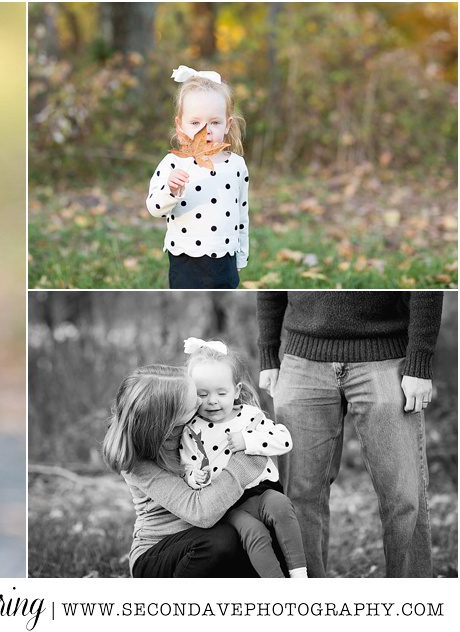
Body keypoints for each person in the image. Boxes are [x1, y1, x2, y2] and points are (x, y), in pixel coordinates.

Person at [257, 291, 441, 577]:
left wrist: (419, 362)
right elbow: (272, 281)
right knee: (299, 497)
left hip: (385, 355)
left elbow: (426, 286)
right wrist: (268, 352)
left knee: (404, 496)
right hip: (303, 359)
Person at [101, 364, 267, 577]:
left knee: (260, 533)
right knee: (222, 541)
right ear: (169, 418)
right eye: (194, 400)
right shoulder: (136, 461)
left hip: (206, 533)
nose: (201, 401)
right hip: (158, 552)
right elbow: (201, 512)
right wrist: (248, 459)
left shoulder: (189, 426)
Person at [179, 338, 306, 578]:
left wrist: (249, 440)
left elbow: (284, 440)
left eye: (221, 392)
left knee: (281, 505)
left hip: (261, 492)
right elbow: (186, 466)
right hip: (226, 504)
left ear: (236, 391)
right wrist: (195, 476)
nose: (212, 401)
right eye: (202, 394)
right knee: (254, 532)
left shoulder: (250, 417)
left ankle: (300, 576)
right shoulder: (192, 429)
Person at [144, 65, 250, 289]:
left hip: (225, 258)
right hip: (186, 257)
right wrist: (171, 191)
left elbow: (242, 214)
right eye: (195, 123)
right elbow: (154, 207)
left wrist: (241, 256)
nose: (205, 130)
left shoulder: (236, 165)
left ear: (227, 124)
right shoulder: (174, 162)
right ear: (179, 124)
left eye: (214, 122)